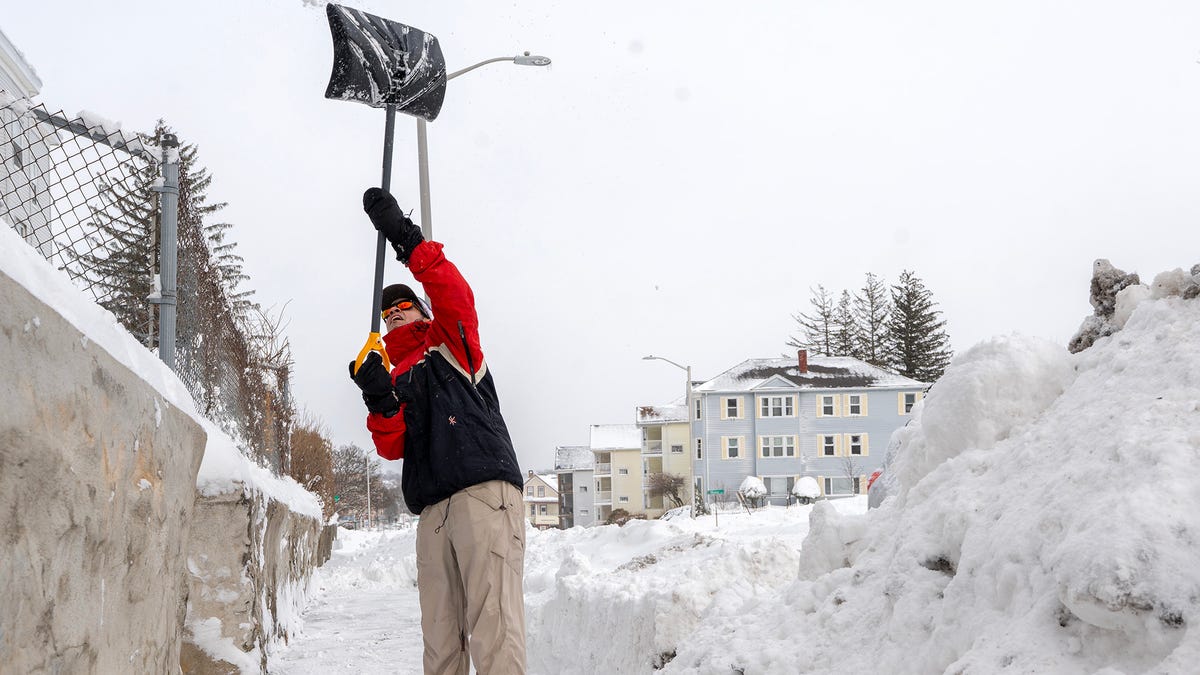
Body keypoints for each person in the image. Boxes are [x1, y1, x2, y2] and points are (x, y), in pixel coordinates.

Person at [348, 187, 526, 675]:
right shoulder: (398, 376)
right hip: (433, 511)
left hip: (481, 495)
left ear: (424, 312)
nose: (394, 314)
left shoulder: (451, 344)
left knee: (495, 632)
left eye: (403, 306)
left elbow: (456, 294)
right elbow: (392, 446)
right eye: (387, 314)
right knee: (441, 645)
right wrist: (379, 399)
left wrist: (405, 239)